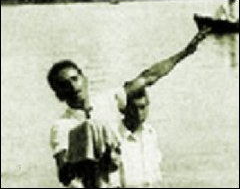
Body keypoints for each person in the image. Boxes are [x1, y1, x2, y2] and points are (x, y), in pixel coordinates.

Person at [48, 28, 210, 188]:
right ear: (58, 93)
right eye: (64, 84)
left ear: (84, 78)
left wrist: (185, 52)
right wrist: (89, 159)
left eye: (75, 79)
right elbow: (64, 176)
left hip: (118, 184)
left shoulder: (107, 101)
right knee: (89, 128)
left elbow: (148, 77)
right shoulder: (62, 126)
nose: (73, 86)